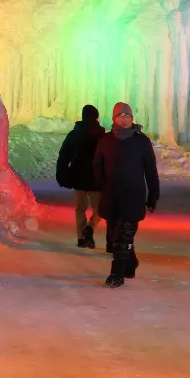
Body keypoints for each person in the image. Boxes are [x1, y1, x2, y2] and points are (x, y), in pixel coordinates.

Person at [93, 102, 159, 288]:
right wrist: (102, 184)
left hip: (133, 196)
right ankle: (130, 263)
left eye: (127, 116)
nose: (124, 119)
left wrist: (153, 195)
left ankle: (117, 273)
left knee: (123, 237)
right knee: (115, 237)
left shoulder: (141, 142)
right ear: (114, 118)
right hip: (112, 196)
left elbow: (150, 171)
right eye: (120, 115)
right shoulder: (106, 140)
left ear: (132, 118)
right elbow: (97, 164)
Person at [56, 104, 106, 248]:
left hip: (77, 177)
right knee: (100, 208)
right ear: (96, 117)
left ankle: (81, 238)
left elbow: (64, 155)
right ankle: (90, 228)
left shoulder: (74, 134)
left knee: (80, 209)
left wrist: (61, 173)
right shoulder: (101, 135)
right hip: (95, 178)